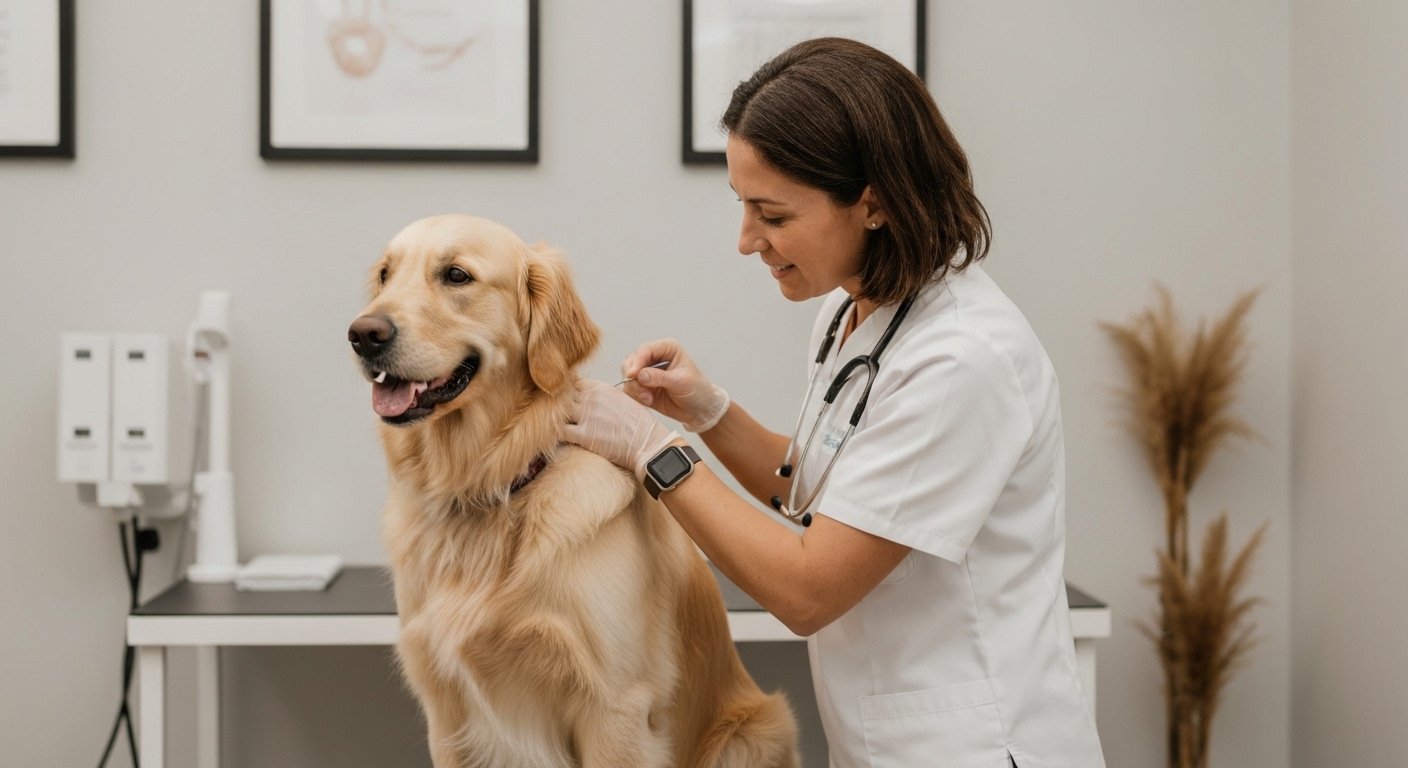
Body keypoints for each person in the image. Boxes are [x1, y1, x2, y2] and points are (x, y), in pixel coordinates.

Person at [564, 37, 1105, 768]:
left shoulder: (963, 358)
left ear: (873, 204)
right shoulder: (854, 312)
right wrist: (708, 413)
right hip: (887, 739)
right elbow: (821, 492)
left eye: (773, 215)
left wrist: (651, 449)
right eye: (743, 206)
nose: (747, 241)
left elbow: (808, 590)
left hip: (975, 744)